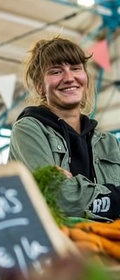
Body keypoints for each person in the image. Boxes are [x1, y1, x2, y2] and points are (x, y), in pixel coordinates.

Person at [8, 35, 120, 222]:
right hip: (58, 246)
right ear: (40, 86)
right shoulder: (28, 130)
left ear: (85, 78)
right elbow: (57, 197)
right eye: (56, 72)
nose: (69, 78)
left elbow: (68, 195)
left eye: (75, 68)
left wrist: (76, 189)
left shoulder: (108, 143)